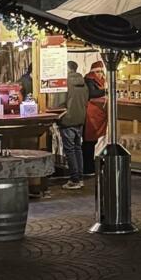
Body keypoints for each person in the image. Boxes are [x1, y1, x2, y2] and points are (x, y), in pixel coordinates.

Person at [56, 61, 89, 190]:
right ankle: (80, 178)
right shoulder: (83, 83)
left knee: (70, 150)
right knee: (77, 149)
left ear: (67, 69)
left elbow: (60, 103)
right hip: (80, 119)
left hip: (68, 119)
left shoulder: (65, 83)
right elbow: (86, 100)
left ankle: (74, 179)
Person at [82, 61, 107, 177]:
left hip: (97, 115)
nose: (100, 74)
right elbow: (92, 93)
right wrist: (105, 91)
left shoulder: (100, 81)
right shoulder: (89, 80)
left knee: (92, 141)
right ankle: (87, 167)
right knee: (89, 141)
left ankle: (88, 165)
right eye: (97, 71)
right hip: (90, 115)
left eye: (101, 71)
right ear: (92, 72)